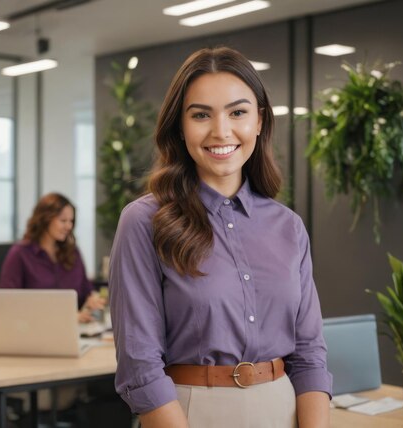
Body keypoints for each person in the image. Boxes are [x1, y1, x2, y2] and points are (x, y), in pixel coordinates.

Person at [109, 47, 332, 428]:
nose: (221, 131)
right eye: (201, 115)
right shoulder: (143, 222)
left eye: (238, 112)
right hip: (188, 413)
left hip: (284, 408)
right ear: (180, 126)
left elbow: (309, 354)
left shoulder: (288, 226)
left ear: (259, 121)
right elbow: (140, 365)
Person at [0, 192, 105, 321]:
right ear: (45, 219)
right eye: (63, 220)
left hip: (75, 333)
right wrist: (66, 317)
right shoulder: (20, 253)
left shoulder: (72, 252)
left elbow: (86, 292)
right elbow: (8, 304)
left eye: (71, 221)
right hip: (34, 332)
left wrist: (91, 300)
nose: (68, 226)